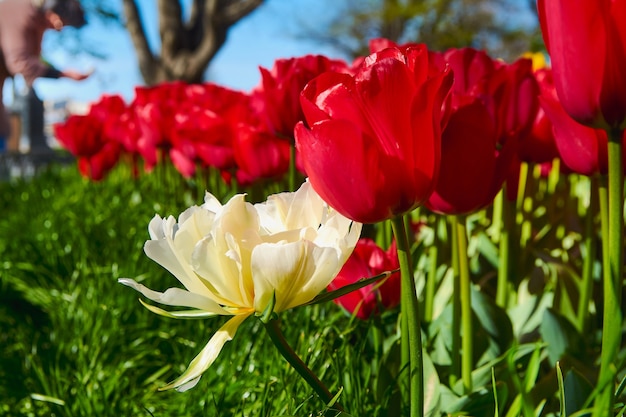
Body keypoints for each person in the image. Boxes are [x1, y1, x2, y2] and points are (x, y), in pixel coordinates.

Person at [0, 0, 90, 152]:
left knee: (3, 129)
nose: (59, 29)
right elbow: (19, 61)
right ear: (53, 12)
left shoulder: (38, 20)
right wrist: (63, 74)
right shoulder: (21, 12)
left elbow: (32, 57)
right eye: (61, 22)